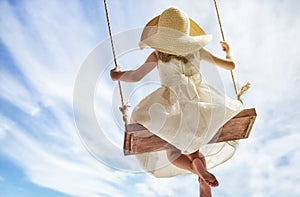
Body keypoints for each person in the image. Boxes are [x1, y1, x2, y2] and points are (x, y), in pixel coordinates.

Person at [110, 7, 243, 197]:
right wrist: (229, 52)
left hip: (169, 107)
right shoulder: (198, 51)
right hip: (201, 103)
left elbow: (135, 76)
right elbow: (230, 66)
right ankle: (200, 174)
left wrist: (117, 75)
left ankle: (195, 169)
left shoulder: (157, 55)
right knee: (195, 149)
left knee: (172, 153)